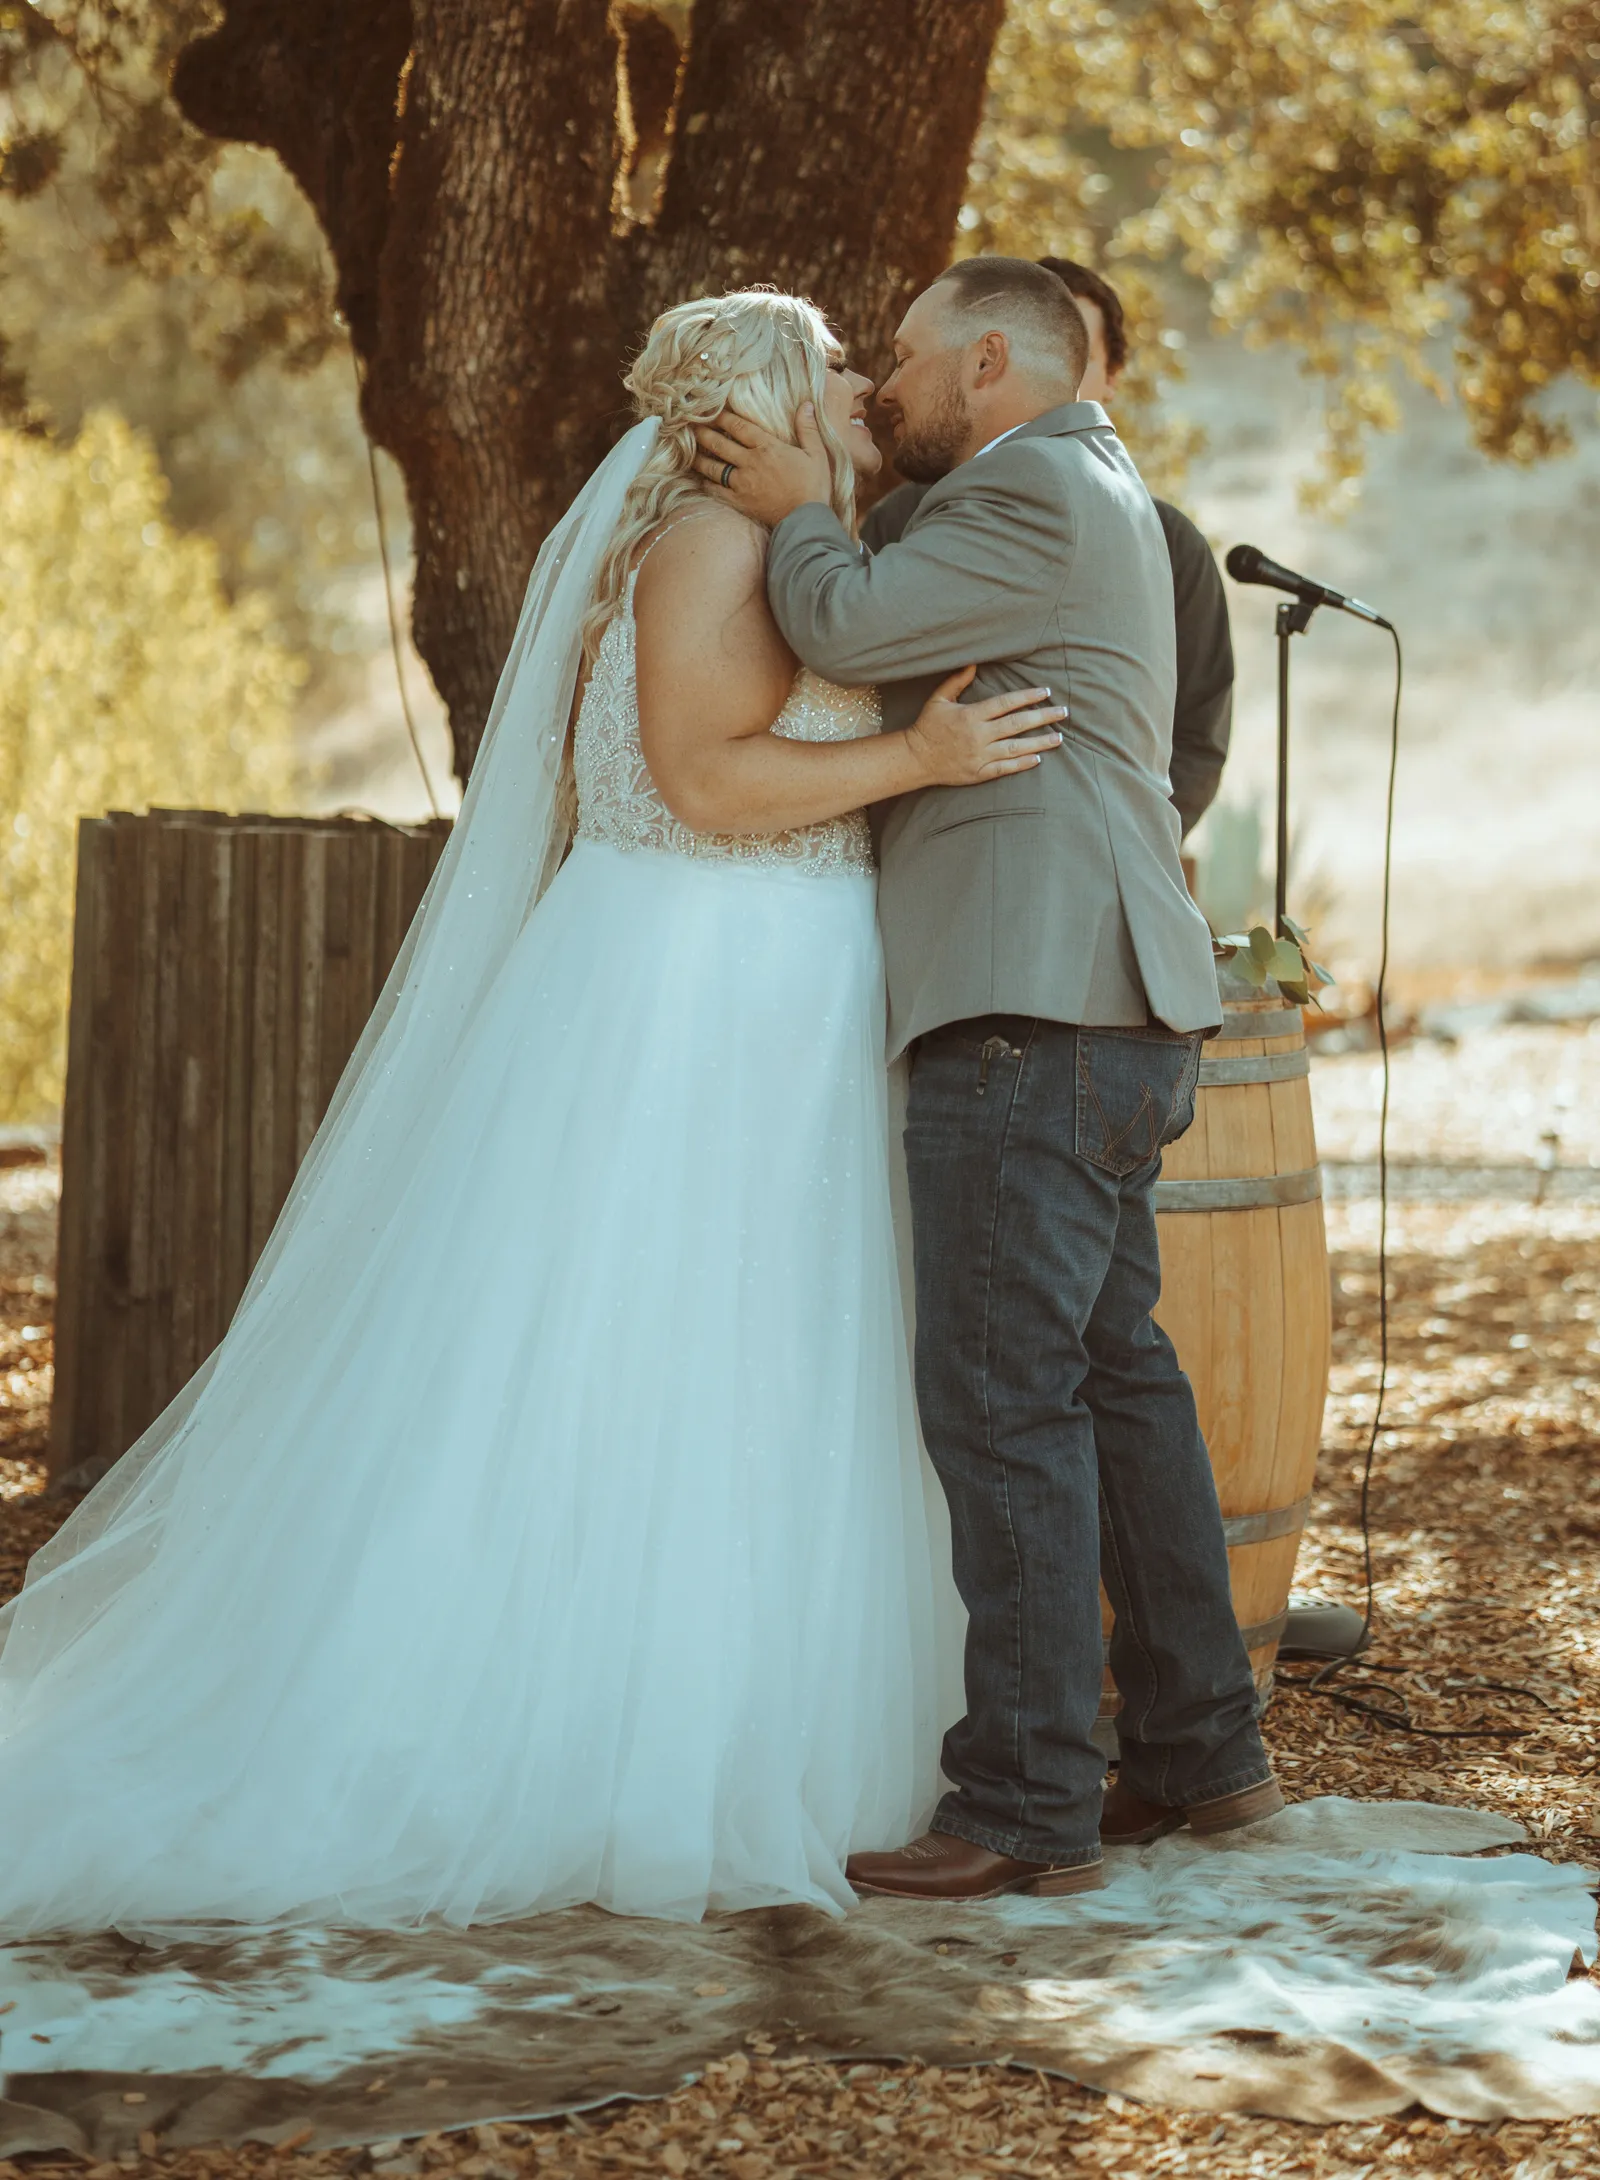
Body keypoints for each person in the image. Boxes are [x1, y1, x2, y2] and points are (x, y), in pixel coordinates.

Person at [0, 290, 1069, 1936]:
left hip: (756, 980)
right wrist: (918, 760)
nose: (862, 383)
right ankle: (622, 1751)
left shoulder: (768, 547)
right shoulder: (713, 549)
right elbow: (709, 787)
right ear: (766, 403)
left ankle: (771, 1729)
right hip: (704, 989)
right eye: (835, 366)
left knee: (760, 1356)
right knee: (661, 1355)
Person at [693, 256, 1281, 1903]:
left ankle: (1026, 1800)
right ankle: (1202, 1754)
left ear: (996, 361)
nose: (884, 387)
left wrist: (805, 497)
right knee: (1109, 1379)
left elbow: (842, 620)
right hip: (1102, 1004)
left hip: (1033, 1007)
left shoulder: (1034, 487)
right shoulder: (1080, 483)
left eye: (906, 361)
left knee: (1005, 1405)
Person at [861, 256, 1235, 840]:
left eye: (1077, 356)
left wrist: (1124, 851)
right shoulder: (901, 517)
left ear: (1107, 376)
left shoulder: (1170, 542)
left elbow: (1196, 736)